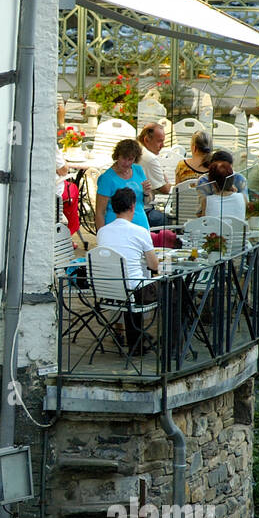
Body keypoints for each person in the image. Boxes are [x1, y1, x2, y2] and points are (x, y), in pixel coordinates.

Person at [95, 186, 159, 352]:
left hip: (110, 291)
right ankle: (173, 345)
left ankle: (136, 342)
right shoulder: (140, 231)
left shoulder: (102, 232)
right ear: (132, 206)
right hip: (133, 292)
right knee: (174, 293)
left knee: (133, 284)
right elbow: (154, 266)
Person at [95, 139, 151, 230]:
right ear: (117, 156)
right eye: (124, 158)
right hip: (116, 228)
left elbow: (147, 201)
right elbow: (100, 212)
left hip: (141, 226)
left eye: (130, 159)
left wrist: (147, 193)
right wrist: (101, 235)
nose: (127, 163)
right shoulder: (107, 178)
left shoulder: (138, 170)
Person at [137, 123, 171, 227]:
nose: (163, 145)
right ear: (147, 140)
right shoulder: (149, 158)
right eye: (159, 141)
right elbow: (165, 189)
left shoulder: (138, 150)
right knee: (167, 220)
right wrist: (167, 180)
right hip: (142, 210)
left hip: (131, 207)